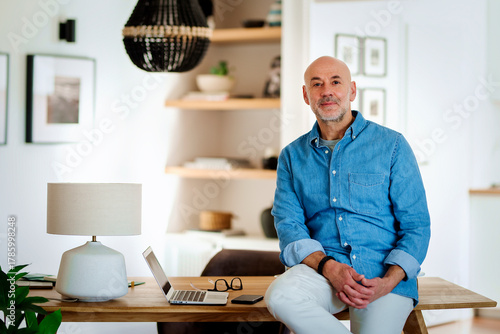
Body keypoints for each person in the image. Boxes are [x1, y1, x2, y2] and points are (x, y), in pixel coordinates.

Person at [264, 56, 431, 334]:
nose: (326, 90)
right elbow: (289, 226)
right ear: (306, 95)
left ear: (352, 91)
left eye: (335, 82)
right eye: (317, 84)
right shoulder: (292, 156)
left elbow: (416, 226)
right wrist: (329, 267)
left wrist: (389, 282)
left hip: (381, 274)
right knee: (280, 297)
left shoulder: (393, 146)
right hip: (322, 270)